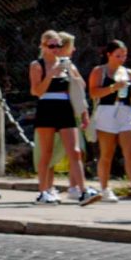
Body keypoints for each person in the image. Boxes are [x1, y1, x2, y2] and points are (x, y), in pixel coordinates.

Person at [28, 30, 92, 204]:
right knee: (46, 152)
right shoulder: (37, 65)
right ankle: (43, 191)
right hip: (46, 106)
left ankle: (83, 190)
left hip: (64, 107)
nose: (56, 49)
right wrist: (51, 74)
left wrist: (71, 73)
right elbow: (36, 91)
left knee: (75, 151)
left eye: (58, 45)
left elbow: (80, 87)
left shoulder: (67, 64)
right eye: (52, 46)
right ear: (43, 46)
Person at [87, 38, 131, 202]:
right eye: (118, 55)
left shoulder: (129, 73)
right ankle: (105, 188)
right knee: (107, 153)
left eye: (124, 56)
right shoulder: (99, 71)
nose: (122, 59)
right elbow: (93, 93)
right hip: (106, 111)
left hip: (125, 110)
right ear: (109, 55)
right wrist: (113, 87)